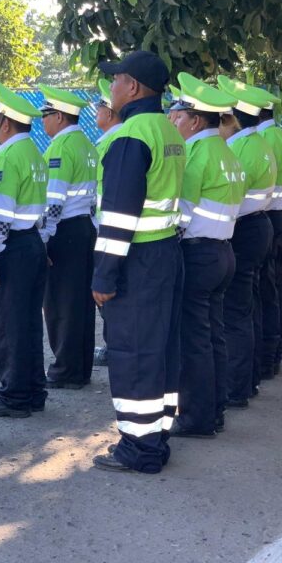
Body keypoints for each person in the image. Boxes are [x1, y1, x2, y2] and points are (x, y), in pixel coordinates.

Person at [91, 50, 185, 474]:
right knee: (161, 346)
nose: (110, 88)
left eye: (115, 80)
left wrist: (104, 275)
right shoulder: (167, 129)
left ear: (132, 87)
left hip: (135, 257)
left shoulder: (129, 136)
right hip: (165, 251)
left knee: (132, 351)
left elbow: (117, 215)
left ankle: (139, 447)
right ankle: (157, 431)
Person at [171, 73, 242, 437]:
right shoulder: (226, 151)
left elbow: (180, 216)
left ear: (196, 120)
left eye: (178, 116)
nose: (173, 121)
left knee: (195, 340)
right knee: (214, 334)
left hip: (199, 256)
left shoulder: (196, 154)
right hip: (223, 252)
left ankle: (196, 418)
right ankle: (214, 411)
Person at [0, 82, 48, 418]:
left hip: (12, 248)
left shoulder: (6, 157)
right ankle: (33, 389)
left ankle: (14, 395)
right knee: (28, 322)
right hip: (33, 243)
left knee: (7, 323)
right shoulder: (34, 154)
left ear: (5, 123)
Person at [217, 75, 277, 406]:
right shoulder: (260, 143)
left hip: (243, 228)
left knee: (236, 313)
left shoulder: (239, 147)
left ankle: (235, 388)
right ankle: (248, 379)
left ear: (234, 117)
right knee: (247, 306)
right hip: (259, 225)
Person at [38, 84, 98, 390]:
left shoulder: (60, 148)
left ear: (59, 116)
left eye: (46, 115)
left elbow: (53, 202)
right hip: (84, 228)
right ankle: (80, 369)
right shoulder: (87, 144)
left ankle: (64, 371)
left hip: (65, 231)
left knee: (61, 304)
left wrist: (44, 240)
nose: (42, 121)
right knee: (81, 304)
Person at [256, 88, 282, 372]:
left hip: (266, 218)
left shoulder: (262, 140)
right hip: (278, 218)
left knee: (265, 290)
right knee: (274, 286)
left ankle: (267, 356)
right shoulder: (280, 136)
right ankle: (274, 351)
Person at [92, 78, 123, 367]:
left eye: (99, 107)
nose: (95, 112)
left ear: (111, 112)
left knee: (110, 295)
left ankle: (114, 348)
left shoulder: (113, 142)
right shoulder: (110, 141)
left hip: (110, 229)